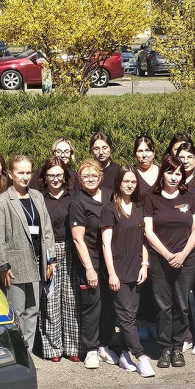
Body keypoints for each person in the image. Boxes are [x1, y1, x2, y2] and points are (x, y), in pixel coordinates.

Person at [0, 155, 55, 355]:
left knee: (33, 310)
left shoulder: (37, 196)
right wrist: (3, 265)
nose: (25, 177)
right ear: (10, 174)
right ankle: (15, 350)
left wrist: (50, 259)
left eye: (28, 172)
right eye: (20, 172)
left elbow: (46, 229)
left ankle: (26, 351)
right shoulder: (2, 201)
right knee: (16, 311)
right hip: (15, 263)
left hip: (37, 260)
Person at [143, 154, 195, 368]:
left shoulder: (190, 198)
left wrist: (182, 254)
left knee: (182, 305)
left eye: (178, 173)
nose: (174, 177)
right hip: (160, 260)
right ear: (163, 174)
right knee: (163, 306)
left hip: (186, 259)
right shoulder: (152, 198)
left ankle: (178, 347)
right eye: (170, 172)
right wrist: (167, 255)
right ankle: (165, 349)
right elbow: (148, 232)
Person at [100, 167, 155, 377]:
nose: (130, 185)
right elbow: (106, 244)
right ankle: (141, 356)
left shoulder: (140, 208)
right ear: (118, 184)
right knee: (127, 316)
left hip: (137, 268)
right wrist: (112, 274)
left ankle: (124, 354)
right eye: (126, 181)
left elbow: (143, 240)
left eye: (133, 181)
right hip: (118, 270)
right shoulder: (110, 209)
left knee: (129, 315)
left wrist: (145, 265)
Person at [69, 158, 116, 369]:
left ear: (101, 176)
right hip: (90, 260)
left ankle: (105, 345)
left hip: (111, 259)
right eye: (85, 176)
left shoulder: (110, 195)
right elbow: (78, 239)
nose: (90, 179)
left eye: (94, 175)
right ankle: (91, 349)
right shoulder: (78, 202)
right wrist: (89, 268)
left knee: (109, 303)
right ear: (79, 178)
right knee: (92, 305)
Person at [38, 157, 81, 361]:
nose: (55, 179)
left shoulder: (74, 197)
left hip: (72, 249)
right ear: (44, 177)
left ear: (65, 177)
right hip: (48, 252)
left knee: (71, 298)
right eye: (51, 175)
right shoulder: (39, 198)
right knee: (51, 298)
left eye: (59, 175)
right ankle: (53, 348)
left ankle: (72, 346)